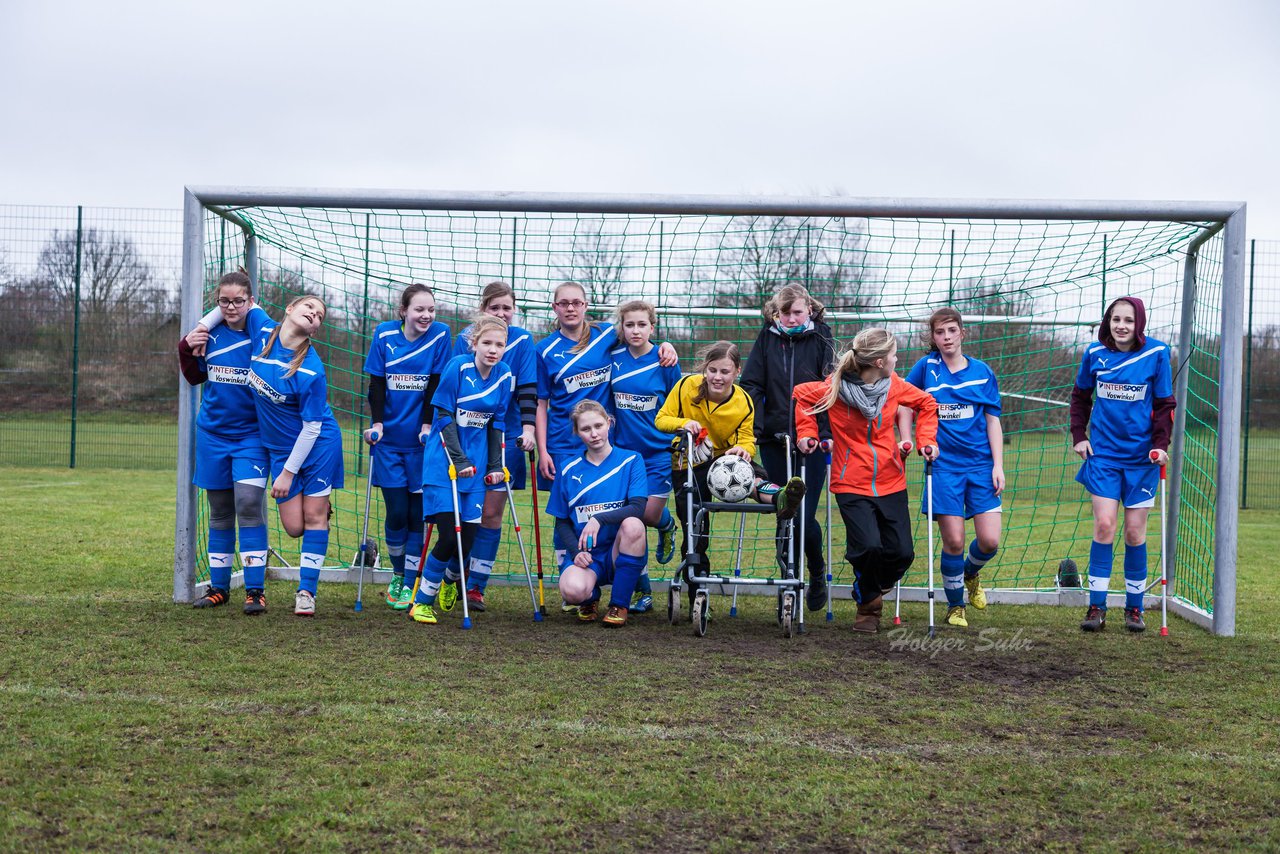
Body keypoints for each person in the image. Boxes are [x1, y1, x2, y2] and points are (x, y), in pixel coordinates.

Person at [534, 281, 676, 610]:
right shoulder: (544, 350)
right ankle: (584, 588)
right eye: (563, 303)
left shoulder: (604, 336)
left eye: (577, 302)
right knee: (571, 515)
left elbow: (640, 333)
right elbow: (541, 402)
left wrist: (666, 344)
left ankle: (637, 585)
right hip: (563, 444)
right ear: (554, 307)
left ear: (586, 305)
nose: (570, 308)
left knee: (633, 515)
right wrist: (542, 450)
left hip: (610, 442)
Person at [200, 293, 345, 617]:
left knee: (313, 517)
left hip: (318, 444)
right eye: (309, 306)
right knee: (294, 527)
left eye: (320, 315)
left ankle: (306, 592)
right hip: (281, 448)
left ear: (316, 329)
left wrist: (288, 473)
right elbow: (236, 303)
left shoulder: (311, 369)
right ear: (290, 309)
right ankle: (318, 511)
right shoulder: (262, 329)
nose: (314, 314)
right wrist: (200, 327)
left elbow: (311, 428)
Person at [794, 328, 938, 634]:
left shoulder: (895, 386)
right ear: (880, 361)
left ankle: (869, 588)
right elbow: (801, 396)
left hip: (891, 479)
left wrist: (926, 439)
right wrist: (808, 434)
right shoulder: (834, 388)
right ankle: (869, 605)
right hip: (850, 482)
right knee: (868, 547)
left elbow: (927, 404)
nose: (897, 359)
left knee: (902, 553)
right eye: (894, 355)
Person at [655, 341, 807, 611]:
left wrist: (743, 449)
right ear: (705, 369)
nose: (717, 377)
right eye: (712, 370)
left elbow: (749, 439)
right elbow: (661, 419)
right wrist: (683, 424)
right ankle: (697, 596)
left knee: (749, 475)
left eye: (724, 371)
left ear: (737, 371)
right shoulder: (685, 387)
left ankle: (781, 497)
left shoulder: (743, 401)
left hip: (726, 461)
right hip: (689, 462)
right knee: (696, 531)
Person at [1070, 296, 1174, 633]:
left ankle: (1134, 608)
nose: (1121, 325)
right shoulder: (1094, 355)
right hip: (1103, 457)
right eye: (1116, 319)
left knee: (1133, 532)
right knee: (1104, 525)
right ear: (1108, 321)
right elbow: (1080, 398)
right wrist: (1078, 436)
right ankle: (1096, 606)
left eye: (1128, 320)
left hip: (1141, 460)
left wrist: (1160, 446)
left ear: (1139, 323)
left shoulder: (1157, 354)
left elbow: (1164, 405)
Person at [901, 308, 1004, 628]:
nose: (946, 337)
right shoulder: (926, 368)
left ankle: (970, 573)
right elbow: (904, 402)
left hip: (980, 465)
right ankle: (955, 606)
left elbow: (993, 420)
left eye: (951, 331)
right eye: (940, 332)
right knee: (955, 542)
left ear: (962, 333)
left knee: (989, 541)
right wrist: (907, 439)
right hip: (943, 466)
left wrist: (998, 465)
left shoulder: (982, 371)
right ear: (932, 337)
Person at [409, 315, 514, 625]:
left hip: (476, 470)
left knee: (467, 540)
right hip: (444, 466)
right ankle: (422, 602)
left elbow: (497, 424)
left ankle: (451, 579)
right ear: (474, 344)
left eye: (499, 344)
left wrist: (495, 466)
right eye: (487, 343)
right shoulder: (458, 367)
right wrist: (459, 460)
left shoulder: (504, 375)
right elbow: (443, 416)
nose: (493, 350)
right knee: (447, 536)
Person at [740, 284, 837, 612]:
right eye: (785, 313)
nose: (792, 318)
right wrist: (759, 428)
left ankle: (816, 570)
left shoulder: (822, 336)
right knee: (784, 511)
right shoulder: (767, 337)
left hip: (812, 444)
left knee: (804, 515)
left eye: (798, 312)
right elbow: (751, 383)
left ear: (808, 310)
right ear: (776, 313)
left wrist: (822, 431)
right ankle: (788, 581)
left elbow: (830, 385)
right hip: (775, 441)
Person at [179, 272, 271, 615]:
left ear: (250, 301)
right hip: (213, 435)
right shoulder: (209, 334)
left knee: (248, 505)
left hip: (252, 437)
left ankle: (255, 591)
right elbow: (194, 376)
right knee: (219, 511)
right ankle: (219, 588)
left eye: (238, 301)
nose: (231, 307)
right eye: (224, 301)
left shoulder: (264, 335)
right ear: (216, 303)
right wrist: (186, 348)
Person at [362, 284, 452, 611]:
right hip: (389, 442)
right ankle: (398, 574)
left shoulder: (441, 335)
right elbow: (377, 383)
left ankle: (413, 580)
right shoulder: (385, 335)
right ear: (404, 311)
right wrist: (377, 423)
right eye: (419, 309)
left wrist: (428, 426)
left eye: (430, 309)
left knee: (418, 516)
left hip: (422, 444)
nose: (426, 315)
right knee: (397, 512)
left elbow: (435, 384)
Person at [451, 282, 537, 611]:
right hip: (469, 436)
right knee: (464, 512)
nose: (501, 313)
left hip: (507, 437)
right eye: (494, 307)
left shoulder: (524, 341)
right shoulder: (465, 338)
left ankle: (476, 586)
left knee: (491, 513)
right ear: (483, 308)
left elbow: (528, 388)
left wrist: (528, 429)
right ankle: (454, 573)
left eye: (507, 307)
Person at [547, 400, 651, 627]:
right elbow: (562, 521)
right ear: (577, 433)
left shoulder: (631, 460)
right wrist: (575, 553)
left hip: (618, 551)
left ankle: (619, 604)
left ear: (609, 423)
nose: (594, 434)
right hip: (587, 555)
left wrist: (598, 519)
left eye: (598, 426)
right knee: (572, 591)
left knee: (634, 524)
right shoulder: (567, 468)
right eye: (586, 429)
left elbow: (637, 508)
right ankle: (589, 598)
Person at [608, 300, 682, 613]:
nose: (635, 330)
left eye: (642, 324)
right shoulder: (612, 358)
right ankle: (643, 591)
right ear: (621, 329)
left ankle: (667, 526)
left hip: (658, 452)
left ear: (652, 327)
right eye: (629, 325)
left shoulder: (665, 361)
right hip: (624, 454)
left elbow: (679, 404)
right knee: (629, 521)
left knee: (649, 515)